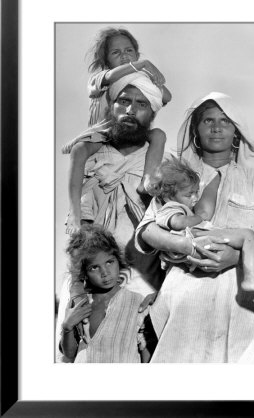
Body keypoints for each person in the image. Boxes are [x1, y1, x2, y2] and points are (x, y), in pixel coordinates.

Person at [135, 92, 254, 363]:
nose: (217, 127)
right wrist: (187, 245)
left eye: (225, 121)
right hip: (185, 297)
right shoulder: (175, 177)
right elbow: (148, 230)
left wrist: (241, 256)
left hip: (243, 301)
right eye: (208, 120)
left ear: (236, 132)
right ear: (196, 129)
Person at [56, 73, 165, 362]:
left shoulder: (161, 163)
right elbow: (78, 232)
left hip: (145, 280)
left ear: (152, 112)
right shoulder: (91, 155)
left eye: (141, 103)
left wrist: (166, 291)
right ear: (111, 107)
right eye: (124, 101)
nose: (130, 110)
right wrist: (80, 289)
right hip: (88, 283)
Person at [63, 27, 172, 234]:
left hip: (132, 130)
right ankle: (75, 212)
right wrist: (141, 65)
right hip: (103, 134)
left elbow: (165, 97)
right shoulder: (101, 77)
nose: (124, 56)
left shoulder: (138, 79)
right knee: (79, 150)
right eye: (116, 53)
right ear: (106, 60)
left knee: (159, 135)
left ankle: (147, 180)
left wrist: (148, 75)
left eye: (129, 51)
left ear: (136, 52)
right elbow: (111, 76)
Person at [146, 156, 254, 296]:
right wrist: (198, 218)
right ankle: (251, 277)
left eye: (196, 192)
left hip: (195, 239)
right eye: (189, 195)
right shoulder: (169, 207)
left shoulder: (175, 205)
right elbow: (177, 222)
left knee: (248, 239)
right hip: (196, 236)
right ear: (168, 196)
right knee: (248, 235)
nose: (195, 198)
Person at [60, 224, 157, 363]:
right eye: (94, 267)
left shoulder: (137, 303)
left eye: (109, 262)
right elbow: (69, 354)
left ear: (118, 260)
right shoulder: (79, 305)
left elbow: (146, 352)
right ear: (84, 273)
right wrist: (67, 327)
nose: (105, 273)